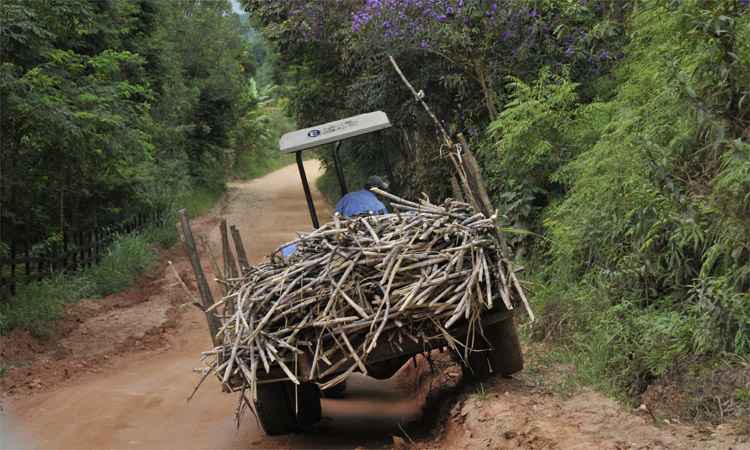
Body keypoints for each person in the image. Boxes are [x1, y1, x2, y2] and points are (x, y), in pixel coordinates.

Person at [280, 176, 389, 259]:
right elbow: (385, 225)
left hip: (344, 238)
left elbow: (335, 218)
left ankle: (288, 252)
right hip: (367, 241)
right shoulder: (380, 206)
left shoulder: (348, 197)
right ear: (378, 191)